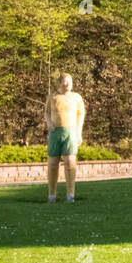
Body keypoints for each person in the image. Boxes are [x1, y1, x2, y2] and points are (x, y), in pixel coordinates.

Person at [46, 73, 86, 203]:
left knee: (70, 162)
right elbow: (46, 112)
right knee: (52, 164)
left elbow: (80, 115)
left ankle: (70, 194)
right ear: (60, 83)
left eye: (70, 81)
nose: (68, 84)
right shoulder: (53, 97)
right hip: (55, 133)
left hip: (70, 132)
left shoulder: (76, 98)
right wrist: (49, 123)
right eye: (65, 81)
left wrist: (79, 132)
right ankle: (52, 195)